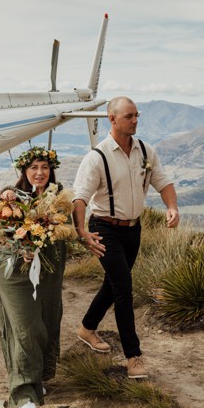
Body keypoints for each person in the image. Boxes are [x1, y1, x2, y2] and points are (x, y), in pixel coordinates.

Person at [73, 97, 178, 380]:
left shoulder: (145, 150)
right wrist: (82, 231)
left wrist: (171, 207)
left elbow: (163, 182)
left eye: (137, 116)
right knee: (123, 288)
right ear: (113, 119)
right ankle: (134, 356)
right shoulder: (97, 157)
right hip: (104, 228)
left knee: (114, 283)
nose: (135, 120)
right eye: (129, 116)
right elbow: (80, 198)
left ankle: (86, 328)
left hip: (133, 228)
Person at [0, 146, 69, 408]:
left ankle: (38, 377)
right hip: (15, 273)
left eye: (45, 168)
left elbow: (66, 229)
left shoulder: (59, 198)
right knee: (25, 327)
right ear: (25, 171)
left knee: (47, 319)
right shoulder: (11, 198)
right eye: (34, 168)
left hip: (49, 269)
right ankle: (24, 394)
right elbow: (0, 235)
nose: (40, 173)